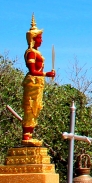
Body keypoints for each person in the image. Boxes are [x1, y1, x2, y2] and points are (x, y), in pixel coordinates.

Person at [22, 15, 56, 146]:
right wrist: (46, 74)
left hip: (37, 83)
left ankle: (29, 134)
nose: (41, 40)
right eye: (39, 38)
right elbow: (32, 71)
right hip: (33, 82)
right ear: (33, 39)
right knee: (30, 107)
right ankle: (26, 136)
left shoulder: (36, 52)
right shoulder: (31, 52)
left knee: (36, 108)